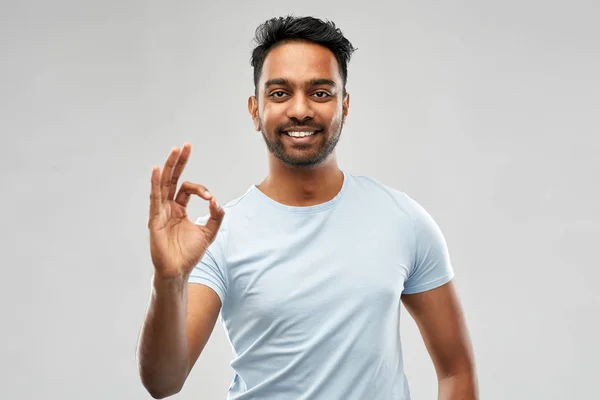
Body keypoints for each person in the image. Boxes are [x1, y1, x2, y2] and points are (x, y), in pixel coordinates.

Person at [136, 15, 478, 400]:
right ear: (255, 110)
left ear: (344, 106)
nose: (301, 110)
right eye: (280, 93)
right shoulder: (218, 236)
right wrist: (167, 280)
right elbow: (163, 382)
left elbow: (456, 371)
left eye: (320, 93)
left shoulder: (403, 220)